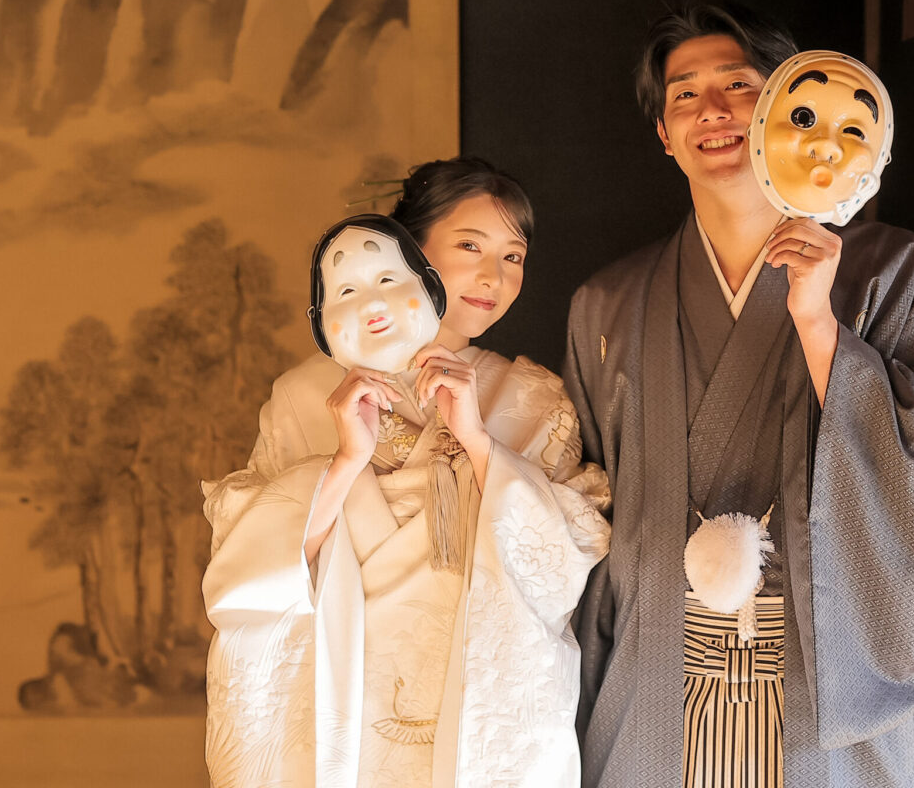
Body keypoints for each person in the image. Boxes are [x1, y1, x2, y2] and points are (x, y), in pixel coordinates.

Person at [567, 3, 914, 787]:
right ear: (663, 133)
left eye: (740, 86)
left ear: (787, 106)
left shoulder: (897, 275)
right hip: (653, 692)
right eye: (684, 94)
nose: (712, 110)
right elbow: (580, 516)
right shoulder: (607, 306)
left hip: (824, 700)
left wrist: (820, 326)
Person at [203, 157, 611, 788]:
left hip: (479, 717)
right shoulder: (306, 397)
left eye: (513, 256)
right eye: (470, 245)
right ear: (408, 250)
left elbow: (562, 571)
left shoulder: (532, 400)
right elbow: (247, 578)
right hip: (342, 710)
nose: (494, 275)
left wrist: (479, 443)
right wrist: (345, 462)